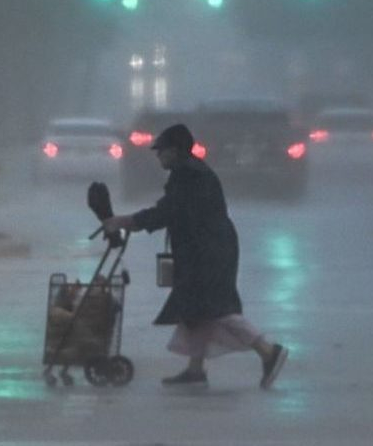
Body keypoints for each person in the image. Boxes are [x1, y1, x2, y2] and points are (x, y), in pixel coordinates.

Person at [101, 123, 288, 388]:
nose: (158, 156)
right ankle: (195, 369)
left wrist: (125, 221)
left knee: (215, 307)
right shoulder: (187, 172)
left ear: (175, 151)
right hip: (204, 248)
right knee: (195, 309)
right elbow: (170, 211)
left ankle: (268, 351)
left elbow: (167, 212)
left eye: (162, 151)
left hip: (208, 251)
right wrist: (130, 221)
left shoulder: (190, 175)